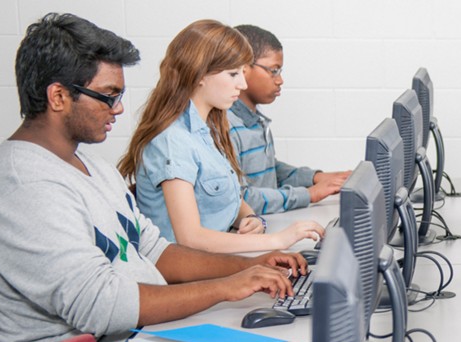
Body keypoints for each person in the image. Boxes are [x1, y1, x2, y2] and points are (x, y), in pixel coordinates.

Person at [0, 13, 306, 342]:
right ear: (58, 96)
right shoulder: (22, 187)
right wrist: (224, 288)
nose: (120, 109)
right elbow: (102, 306)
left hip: (134, 337)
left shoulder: (90, 166)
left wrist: (251, 267)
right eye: (108, 96)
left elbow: (156, 250)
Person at [118, 19, 325, 253]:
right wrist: (278, 240)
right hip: (188, 274)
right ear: (199, 75)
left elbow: (230, 197)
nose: (242, 83)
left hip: (215, 258)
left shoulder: (208, 131)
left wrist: (252, 218)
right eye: (233, 74)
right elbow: (190, 238)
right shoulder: (173, 140)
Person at [228, 24, 349, 215]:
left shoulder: (255, 121)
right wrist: (308, 194)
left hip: (265, 221)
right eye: (273, 70)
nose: (280, 80)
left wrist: (317, 178)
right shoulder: (227, 127)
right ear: (243, 68)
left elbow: (269, 172)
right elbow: (240, 198)